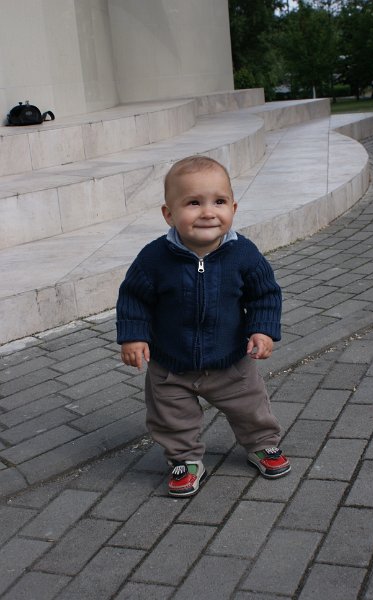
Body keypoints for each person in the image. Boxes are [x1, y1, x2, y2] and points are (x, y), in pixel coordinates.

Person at [116, 155, 291, 498]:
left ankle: (261, 443)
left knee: (251, 406)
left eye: (219, 202)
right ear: (169, 214)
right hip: (170, 365)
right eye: (194, 203)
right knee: (171, 416)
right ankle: (184, 459)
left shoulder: (244, 254)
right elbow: (134, 298)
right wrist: (134, 336)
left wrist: (262, 329)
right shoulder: (153, 258)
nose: (208, 212)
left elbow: (265, 295)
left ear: (233, 208)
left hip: (230, 361)